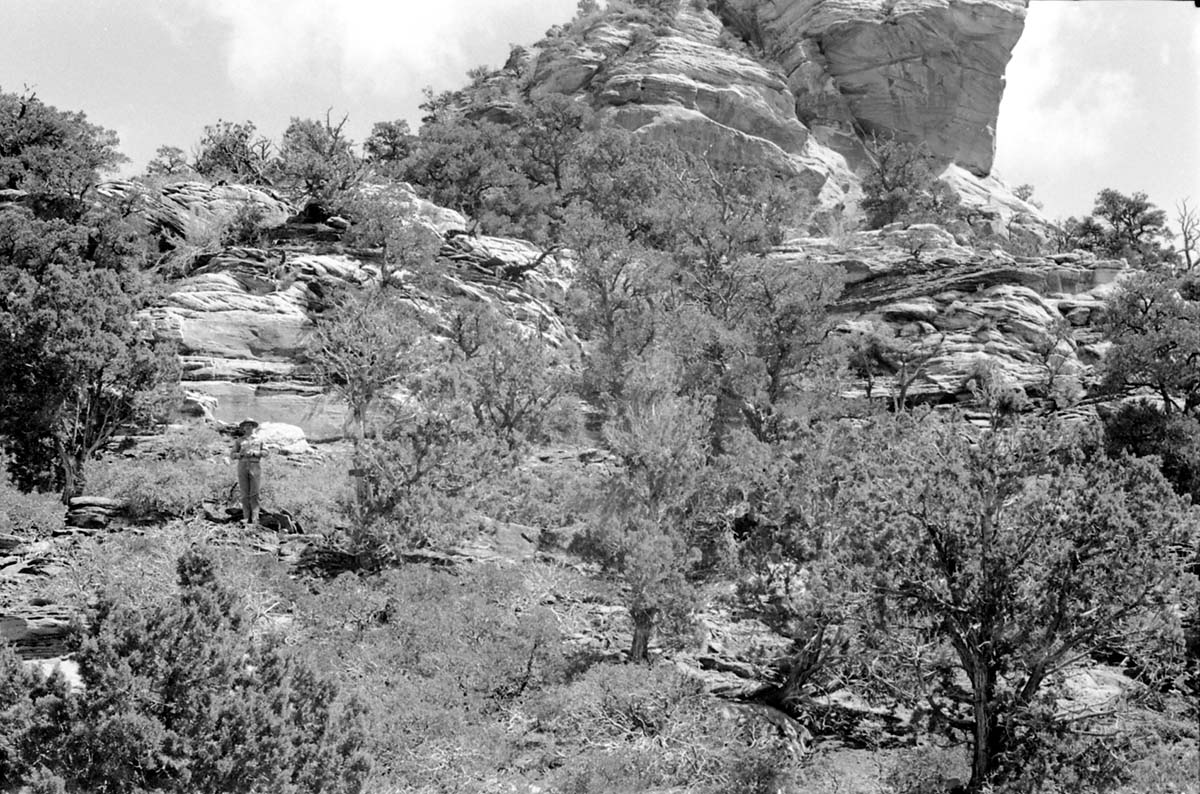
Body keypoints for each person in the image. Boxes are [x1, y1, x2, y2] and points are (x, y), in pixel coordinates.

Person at [230, 418, 269, 526]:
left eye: (250, 425)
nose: (248, 427)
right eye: (246, 425)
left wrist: (255, 453)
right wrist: (240, 455)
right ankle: (246, 518)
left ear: (253, 427)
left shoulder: (260, 439)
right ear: (243, 427)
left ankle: (255, 518)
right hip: (242, 465)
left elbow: (266, 452)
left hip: (255, 465)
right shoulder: (239, 441)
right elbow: (232, 455)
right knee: (244, 493)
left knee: (255, 493)